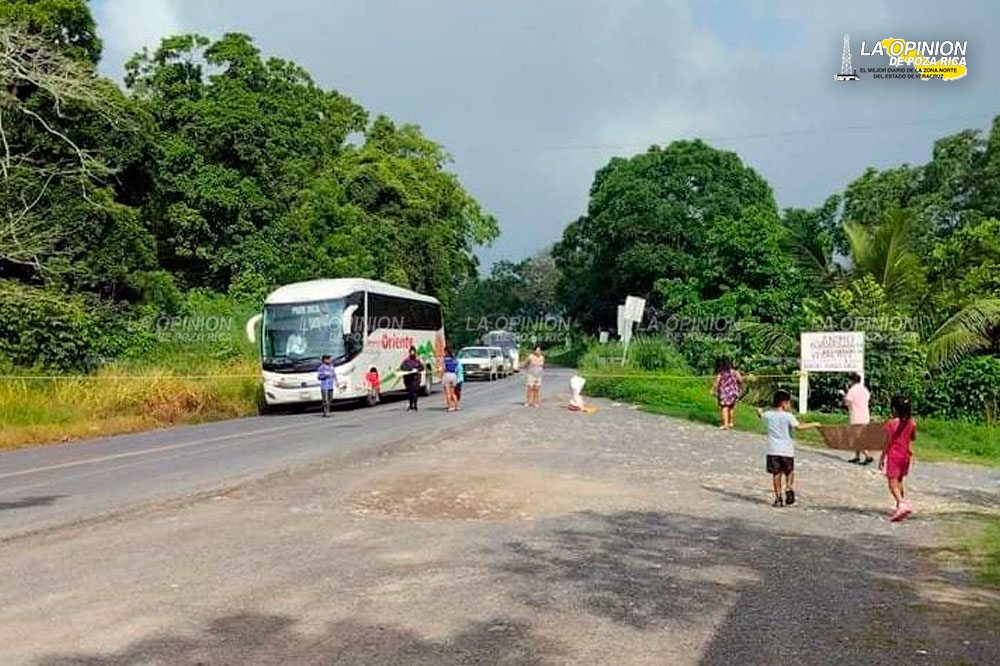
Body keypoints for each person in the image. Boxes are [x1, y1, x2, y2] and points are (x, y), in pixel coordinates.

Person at [758, 390, 820, 507]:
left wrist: (759, 412)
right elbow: (799, 427)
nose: (790, 405)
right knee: (789, 472)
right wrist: (814, 424)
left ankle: (778, 498)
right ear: (783, 403)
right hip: (786, 450)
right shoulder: (788, 416)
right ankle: (788, 487)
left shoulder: (768, 415)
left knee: (776, 474)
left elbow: (761, 415)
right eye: (789, 403)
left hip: (773, 450)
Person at [880, 396, 916, 522]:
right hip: (905, 456)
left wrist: (882, 457)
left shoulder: (892, 424)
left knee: (892, 483)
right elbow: (912, 437)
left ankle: (901, 503)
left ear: (894, 409)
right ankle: (900, 505)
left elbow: (887, 443)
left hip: (894, 456)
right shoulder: (912, 423)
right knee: (899, 481)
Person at [842, 372, 873, 464]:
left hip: (856, 416)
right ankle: (857, 456)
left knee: (857, 437)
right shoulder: (865, 390)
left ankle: (867, 455)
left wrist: (843, 395)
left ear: (852, 381)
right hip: (865, 415)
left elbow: (847, 403)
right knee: (860, 435)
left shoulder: (852, 390)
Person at [712, 359, 742, 430]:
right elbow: (740, 380)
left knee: (724, 407)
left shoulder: (721, 373)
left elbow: (717, 382)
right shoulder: (735, 372)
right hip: (733, 392)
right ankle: (730, 422)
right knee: (731, 407)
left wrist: (713, 389)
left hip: (725, 392)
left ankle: (726, 425)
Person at [400, 346, 424, 412]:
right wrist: (409, 369)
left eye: (413, 352)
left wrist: (417, 369)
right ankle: (410, 405)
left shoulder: (417, 361)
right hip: (408, 379)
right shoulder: (406, 361)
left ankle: (415, 405)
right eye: (411, 352)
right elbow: (402, 368)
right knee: (410, 392)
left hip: (416, 379)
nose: (412, 353)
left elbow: (422, 368)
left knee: (415, 392)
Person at [442, 347, 459, 412]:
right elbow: (457, 368)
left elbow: (444, 368)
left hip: (447, 375)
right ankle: (456, 406)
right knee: (453, 393)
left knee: (448, 393)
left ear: (446, 351)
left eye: (444, 351)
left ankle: (450, 407)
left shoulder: (445, 359)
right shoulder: (455, 359)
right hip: (454, 375)